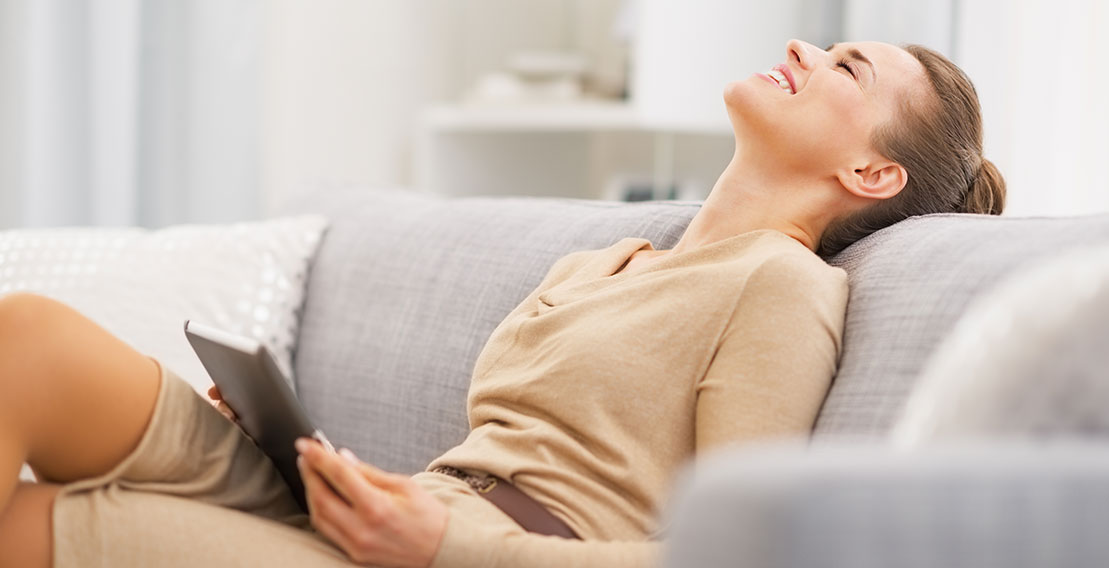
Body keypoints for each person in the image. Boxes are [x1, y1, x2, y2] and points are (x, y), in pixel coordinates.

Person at [0, 39, 1006, 568]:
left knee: (33, 523)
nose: (803, 46)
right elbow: (484, 460)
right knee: (26, 337)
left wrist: (447, 545)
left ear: (872, 172)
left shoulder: (783, 288)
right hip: (389, 515)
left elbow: (726, 555)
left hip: (456, 558)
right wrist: (308, 454)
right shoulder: (601, 261)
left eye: (846, 67)